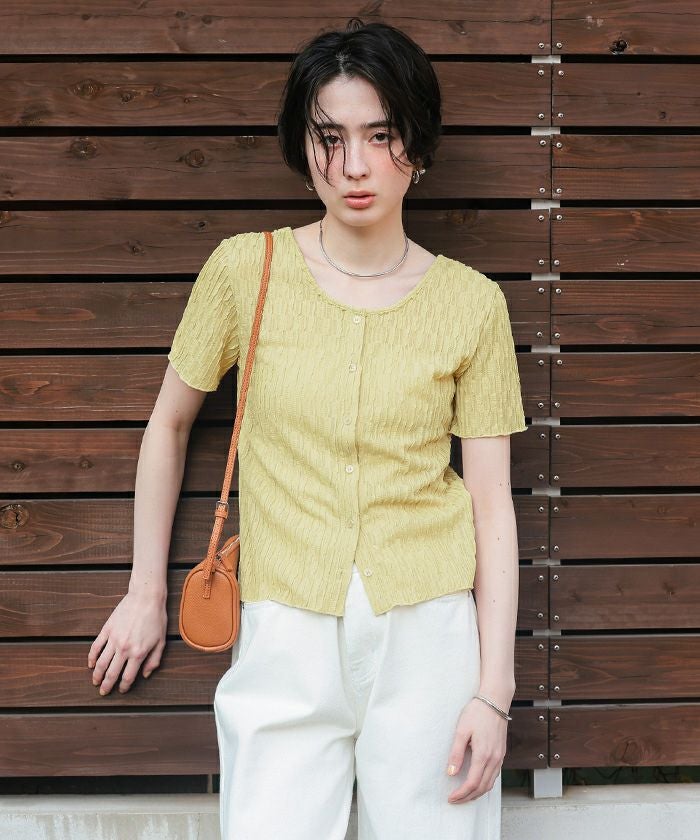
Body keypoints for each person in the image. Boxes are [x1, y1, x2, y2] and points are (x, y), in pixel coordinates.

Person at [87, 19, 527, 840]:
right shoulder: (244, 270)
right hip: (284, 623)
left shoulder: (472, 305)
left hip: (429, 633)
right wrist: (146, 591)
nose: (354, 165)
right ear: (303, 144)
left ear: (417, 144)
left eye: (381, 135)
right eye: (331, 137)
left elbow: (490, 505)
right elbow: (169, 425)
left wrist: (491, 689)